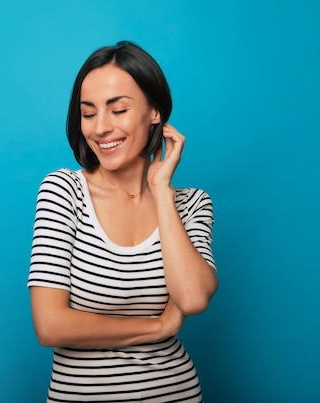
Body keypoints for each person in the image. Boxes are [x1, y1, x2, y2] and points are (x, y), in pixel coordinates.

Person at [28, 40, 218, 402]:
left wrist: (161, 191)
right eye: (88, 113)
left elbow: (192, 298)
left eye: (118, 110)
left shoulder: (192, 203)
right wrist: (157, 327)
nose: (100, 128)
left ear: (154, 112)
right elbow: (50, 325)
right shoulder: (63, 191)